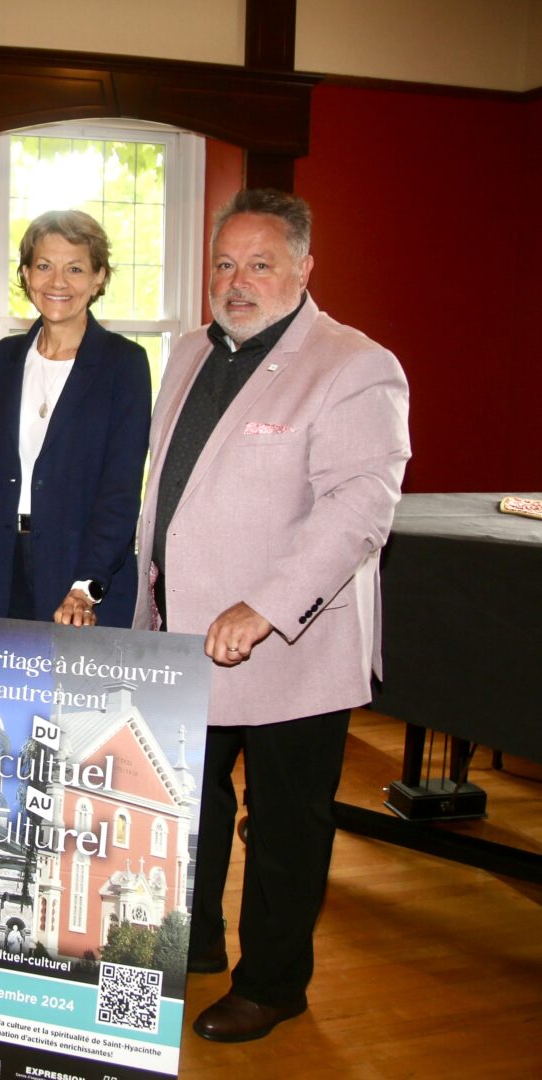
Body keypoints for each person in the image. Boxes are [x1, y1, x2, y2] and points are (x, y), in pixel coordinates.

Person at [133, 189, 409, 1042]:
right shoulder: (185, 352)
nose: (236, 281)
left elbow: (360, 506)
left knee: (287, 825)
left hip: (287, 646)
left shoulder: (354, 363)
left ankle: (273, 982)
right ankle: (199, 946)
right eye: (223, 263)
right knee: (193, 806)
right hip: (180, 637)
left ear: (302, 268)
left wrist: (268, 605)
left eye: (258, 263)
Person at [0, 209, 150, 629]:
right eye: (44, 266)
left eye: (75, 268)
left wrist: (86, 585)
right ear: (27, 274)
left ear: (98, 277)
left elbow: (121, 490)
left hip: (81, 576)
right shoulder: (1, 361)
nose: (58, 282)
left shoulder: (125, 364)